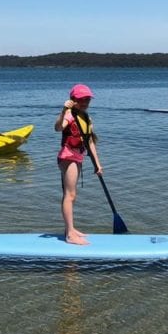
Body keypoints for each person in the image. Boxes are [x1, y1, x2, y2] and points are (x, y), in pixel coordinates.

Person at [54, 84, 103, 246]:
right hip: (68, 156)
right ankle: (69, 235)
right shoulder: (68, 115)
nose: (85, 102)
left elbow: (90, 142)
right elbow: (58, 127)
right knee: (70, 195)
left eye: (87, 99)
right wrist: (62, 112)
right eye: (82, 100)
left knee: (70, 195)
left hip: (78, 157)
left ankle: (71, 229)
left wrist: (97, 163)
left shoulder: (87, 117)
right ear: (73, 100)